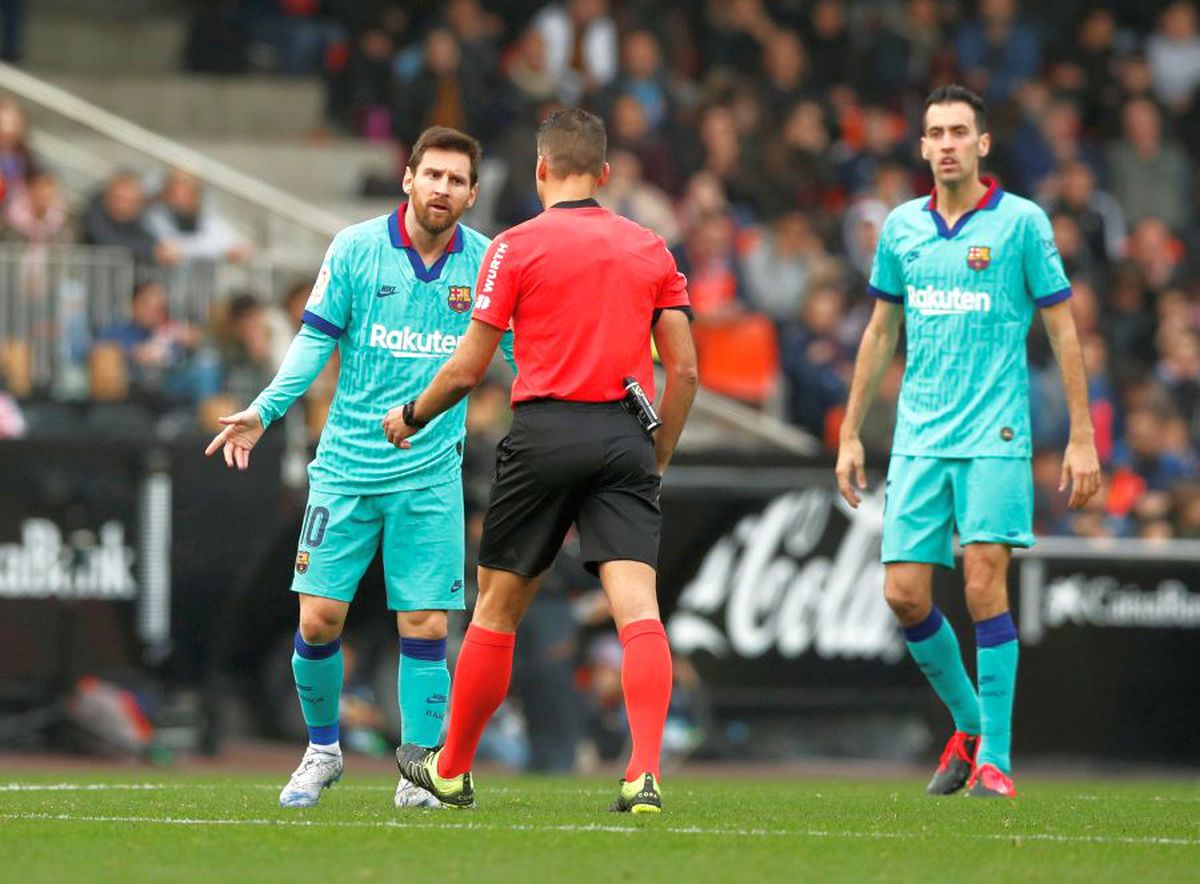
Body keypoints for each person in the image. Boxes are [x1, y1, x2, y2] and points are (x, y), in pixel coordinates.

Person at [385, 108, 697, 814]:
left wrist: (411, 415)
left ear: (540, 171)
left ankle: (452, 769)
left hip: (544, 433)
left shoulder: (515, 247)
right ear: (606, 174)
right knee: (638, 609)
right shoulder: (651, 247)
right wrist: (658, 454)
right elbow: (683, 372)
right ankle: (642, 772)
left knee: (497, 609)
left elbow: (469, 368)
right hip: (624, 437)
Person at [204, 127, 511, 810]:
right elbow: (315, 343)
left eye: (456, 180)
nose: (442, 188)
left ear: (473, 193)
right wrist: (264, 409)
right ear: (408, 178)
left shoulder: (489, 265)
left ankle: (420, 769)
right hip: (344, 469)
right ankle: (322, 751)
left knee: (426, 625)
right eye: (432, 174)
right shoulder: (356, 249)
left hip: (431, 475)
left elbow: (520, 357)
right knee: (318, 622)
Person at [835, 85, 1100, 800]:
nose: (946, 143)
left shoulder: (1021, 224)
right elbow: (881, 331)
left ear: (983, 144)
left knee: (983, 579)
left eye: (959, 131)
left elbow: (1062, 328)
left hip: (997, 431)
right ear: (921, 147)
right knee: (903, 594)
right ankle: (970, 724)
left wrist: (1081, 435)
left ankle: (999, 762)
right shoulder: (901, 229)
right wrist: (851, 432)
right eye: (935, 132)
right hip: (920, 433)